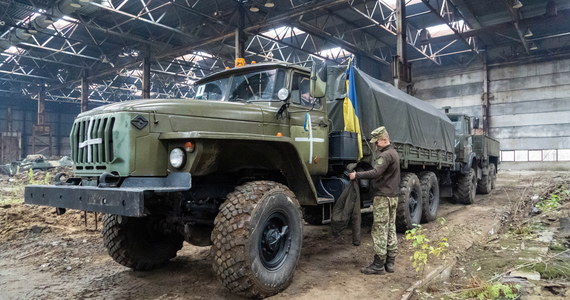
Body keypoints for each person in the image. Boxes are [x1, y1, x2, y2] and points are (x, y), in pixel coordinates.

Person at [348, 126, 400, 275]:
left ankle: (378, 265)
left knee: (379, 229)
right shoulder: (394, 153)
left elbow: (376, 172)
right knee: (390, 228)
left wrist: (356, 175)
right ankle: (390, 263)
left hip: (383, 197)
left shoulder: (385, 156)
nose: (375, 146)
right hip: (393, 196)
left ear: (384, 140)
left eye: (377, 143)